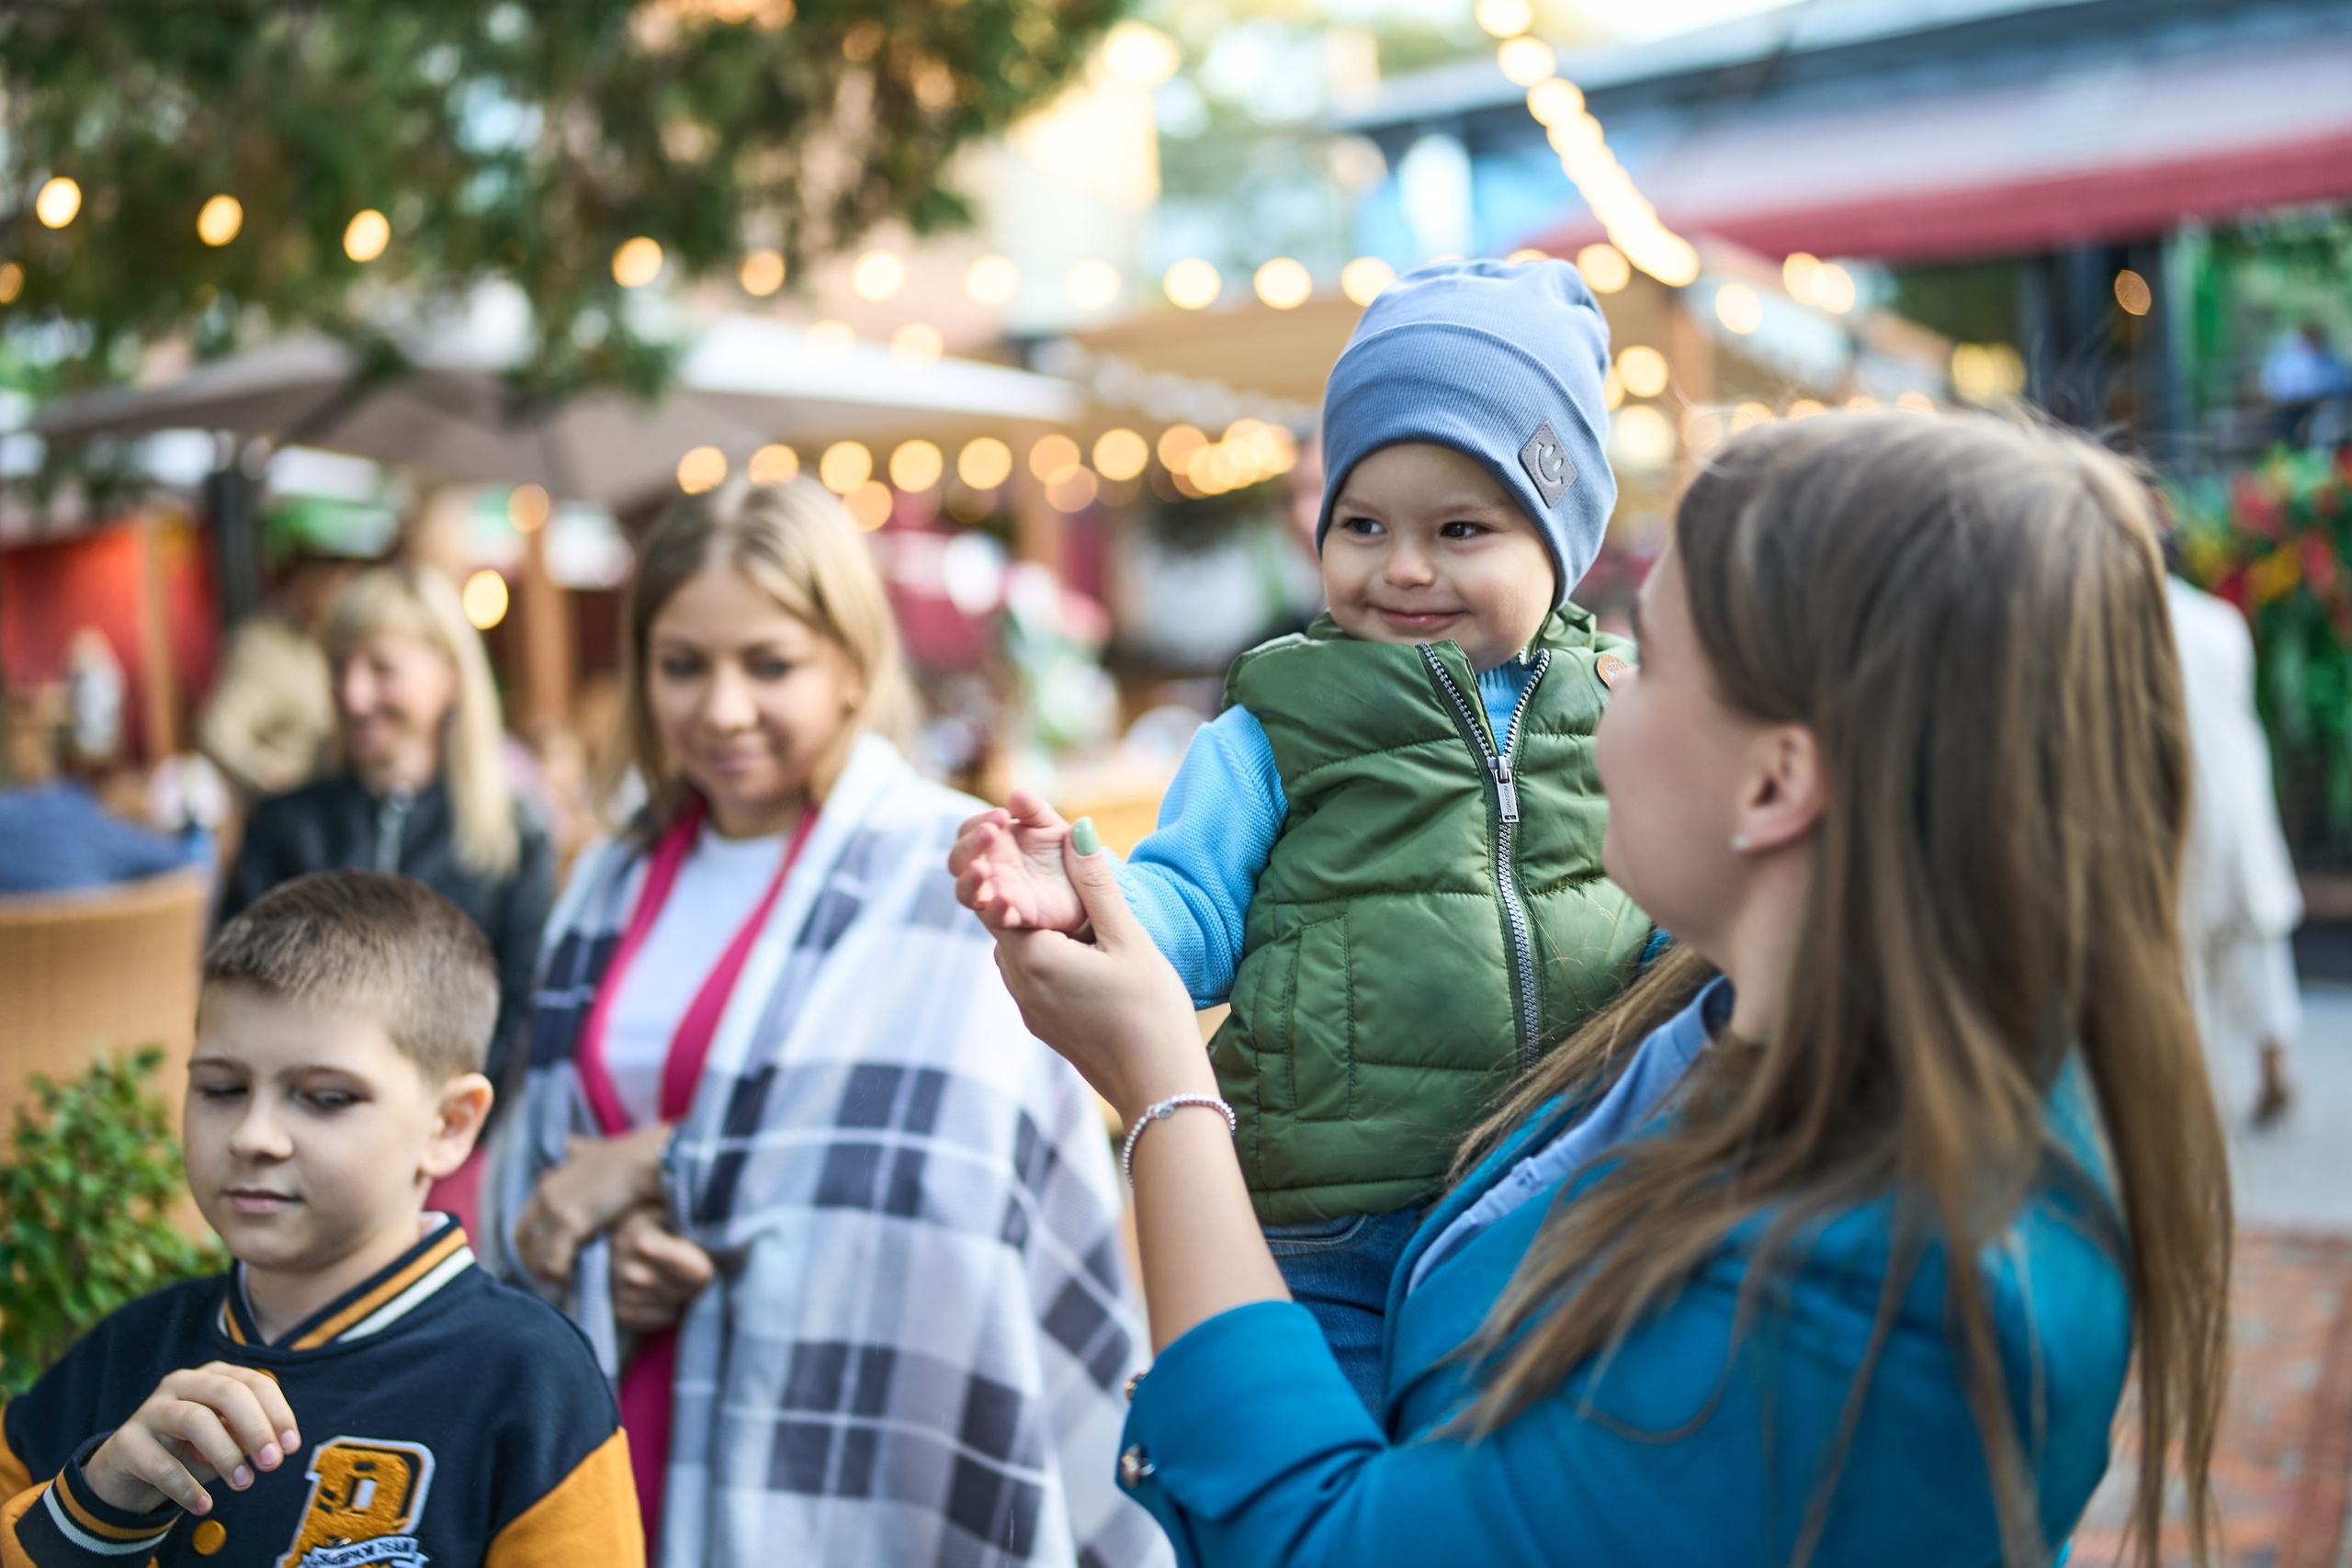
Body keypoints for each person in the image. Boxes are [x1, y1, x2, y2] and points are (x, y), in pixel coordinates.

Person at [985, 414, 2231, 1567]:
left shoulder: (1888, 1300)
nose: (1605, 685)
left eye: (1657, 655)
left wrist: (1163, 1084)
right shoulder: (1723, 1008)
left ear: (1773, 783)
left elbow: (1338, 1543)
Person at [954, 258, 1650, 1401]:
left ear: (1559, 541)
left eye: (1462, 528)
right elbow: (1193, 907)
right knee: (1325, 1477)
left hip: (1563, 1200)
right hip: (1330, 1220)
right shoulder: (1278, 716)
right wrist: (1087, 898)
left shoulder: (1621, 706)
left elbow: (1679, 921)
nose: (1404, 565)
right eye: (1363, 524)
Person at [486, 478, 1160, 1568]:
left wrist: (659, 1167)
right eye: (682, 664)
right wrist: (594, 1252)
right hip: (624, 1423)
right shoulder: (604, 882)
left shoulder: (949, 876)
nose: (721, 709)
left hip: (863, 1456)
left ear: (851, 661)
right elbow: (543, 1162)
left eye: (770, 664)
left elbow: (948, 1177)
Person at [0, 871, 639, 1567]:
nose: (255, 1134)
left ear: (450, 1125)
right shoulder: (126, 1350)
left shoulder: (528, 1376)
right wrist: (93, 1503)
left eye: (326, 1097)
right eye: (221, 1088)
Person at [220, 564, 555, 1156]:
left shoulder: (514, 834)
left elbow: (523, 1012)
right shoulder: (283, 825)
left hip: (458, 1146)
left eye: (381, 668)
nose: (354, 695)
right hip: (302, 1140)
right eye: (339, 668)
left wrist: (432, 1131)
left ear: (448, 678)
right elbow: (233, 989)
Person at [2169, 570, 2303, 1122]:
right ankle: (2275, 1066)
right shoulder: (2223, 623)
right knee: (2256, 944)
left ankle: (2191, 1097)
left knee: (2185, 955)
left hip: (2179, 806)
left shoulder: (2136, 620)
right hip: (2238, 793)